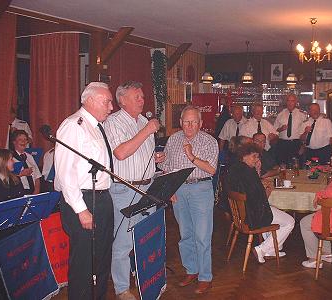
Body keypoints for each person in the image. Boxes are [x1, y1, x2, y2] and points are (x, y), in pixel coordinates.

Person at [54, 82, 114, 299]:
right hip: (83, 200)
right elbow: (65, 173)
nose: (111, 107)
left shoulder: (96, 126)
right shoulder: (73, 126)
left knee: (101, 259)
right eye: (107, 101)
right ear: (90, 100)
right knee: (84, 263)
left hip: (102, 198)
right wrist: (81, 209)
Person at [104, 81, 163, 300]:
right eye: (137, 97)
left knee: (143, 236)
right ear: (122, 100)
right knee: (122, 241)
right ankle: (121, 289)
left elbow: (139, 151)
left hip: (148, 186)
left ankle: (142, 274)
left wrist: (155, 159)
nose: (142, 99)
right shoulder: (114, 122)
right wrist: (147, 131)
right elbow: (120, 153)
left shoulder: (144, 121)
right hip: (125, 189)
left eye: (142, 96)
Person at [158, 105, 218, 294]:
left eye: (193, 122)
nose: (189, 125)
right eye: (186, 121)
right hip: (179, 190)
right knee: (186, 234)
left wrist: (192, 156)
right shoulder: (174, 139)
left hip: (201, 189)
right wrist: (169, 188)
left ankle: (205, 277)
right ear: (180, 122)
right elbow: (166, 166)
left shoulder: (209, 141)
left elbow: (212, 169)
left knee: (202, 236)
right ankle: (191, 270)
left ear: (200, 123)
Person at [227, 143, 295, 262]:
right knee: (289, 221)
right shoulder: (248, 172)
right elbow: (259, 198)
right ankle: (262, 249)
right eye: (254, 157)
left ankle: (272, 250)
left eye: (258, 157)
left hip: (240, 214)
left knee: (274, 209)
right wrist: (267, 191)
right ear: (244, 156)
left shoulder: (235, 169)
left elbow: (250, 191)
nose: (257, 159)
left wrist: (257, 171)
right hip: (253, 215)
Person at [274, 94, 306, 164]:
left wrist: (303, 146)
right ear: (286, 102)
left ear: (296, 102)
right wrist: (281, 129)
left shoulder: (302, 115)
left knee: (296, 166)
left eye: (292, 101)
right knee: (282, 165)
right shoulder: (280, 115)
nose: (290, 103)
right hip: (282, 144)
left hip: (296, 144)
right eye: (288, 101)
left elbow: (305, 132)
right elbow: (274, 130)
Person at [11, 130, 41, 195]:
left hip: (33, 192)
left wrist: (36, 192)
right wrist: (21, 174)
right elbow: (6, 178)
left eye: (25, 139)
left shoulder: (30, 157)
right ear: (14, 142)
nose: (23, 142)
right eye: (20, 139)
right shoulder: (10, 158)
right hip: (18, 193)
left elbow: (37, 176)